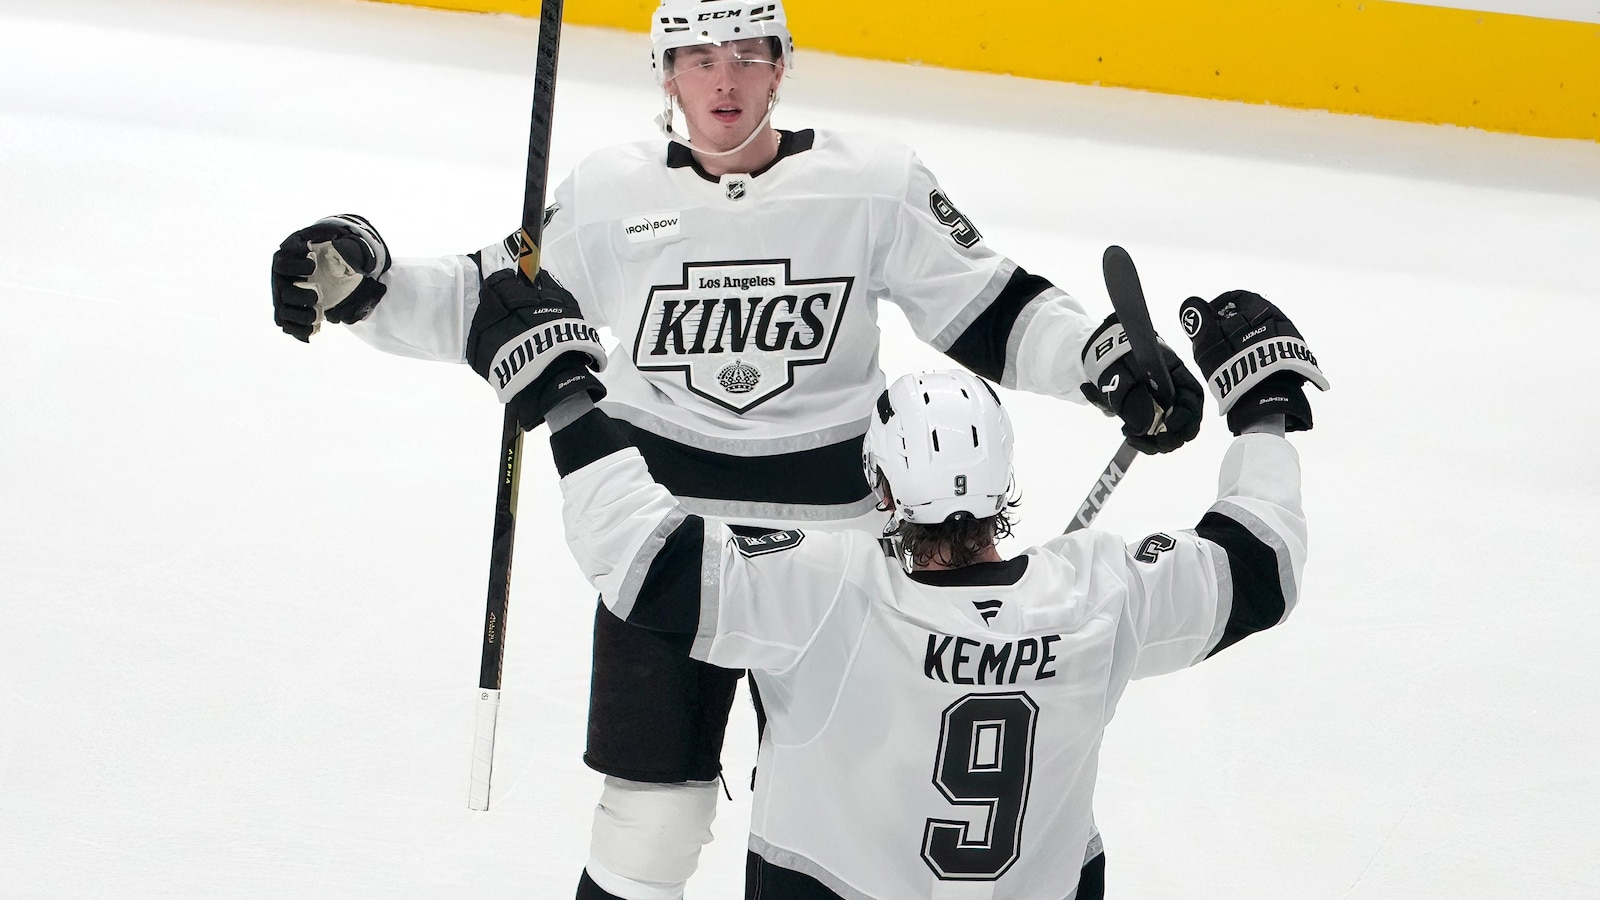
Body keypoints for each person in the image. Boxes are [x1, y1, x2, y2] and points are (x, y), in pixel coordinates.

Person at [267, 2, 1206, 898]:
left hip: (840, 568)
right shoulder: (609, 194)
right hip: (665, 546)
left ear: (781, 67)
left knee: (847, 813)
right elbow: (496, 297)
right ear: (666, 74)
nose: (725, 80)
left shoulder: (873, 183)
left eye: (748, 55)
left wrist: (1102, 361)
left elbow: (990, 303)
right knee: (648, 824)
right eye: (700, 58)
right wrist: (367, 284)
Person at [459, 268, 1327, 899]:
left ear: (880, 488)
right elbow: (1260, 565)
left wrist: (563, 396)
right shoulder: (1099, 592)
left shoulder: (827, 590)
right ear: (1005, 482)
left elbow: (639, 555)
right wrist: (1264, 407)